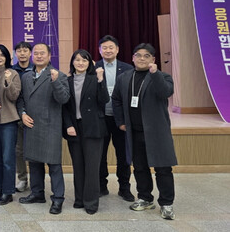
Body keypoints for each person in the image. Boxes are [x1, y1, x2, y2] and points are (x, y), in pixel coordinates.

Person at [112, 43, 177, 220]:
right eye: (138, 55)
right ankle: (145, 198)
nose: (142, 58)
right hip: (134, 131)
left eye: (146, 56)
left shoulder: (162, 76)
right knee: (140, 167)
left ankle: (166, 203)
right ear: (132, 58)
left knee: (163, 168)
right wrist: (121, 122)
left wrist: (155, 74)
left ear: (153, 59)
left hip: (156, 132)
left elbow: (165, 92)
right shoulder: (125, 77)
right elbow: (116, 99)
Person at [17, 43, 70, 215]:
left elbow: (63, 99)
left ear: (49, 56)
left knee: (54, 165)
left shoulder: (58, 75)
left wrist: (55, 82)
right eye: (36, 53)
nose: (39, 56)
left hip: (50, 126)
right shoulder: (26, 76)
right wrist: (22, 113)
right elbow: (20, 99)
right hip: (31, 125)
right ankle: (37, 193)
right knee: (34, 163)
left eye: (42, 53)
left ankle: (58, 198)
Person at [63, 50, 108, 214]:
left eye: (84, 60)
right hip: (74, 128)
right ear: (72, 62)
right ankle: (80, 199)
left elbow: (104, 100)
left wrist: (101, 80)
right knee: (78, 165)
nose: (80, 63)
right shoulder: (67, 81)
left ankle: (91, 202)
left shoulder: (95, 79)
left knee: (92, 166)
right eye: (77, 60)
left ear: (90, 63)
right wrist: (68, 125)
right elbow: (64, 107)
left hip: (93, 127)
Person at [95, 35, 135, 201]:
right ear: (99, 50)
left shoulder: (127, 68)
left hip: (121, 120)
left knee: (123, 155)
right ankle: (101, 186)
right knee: (100, 155)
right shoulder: (94, 67)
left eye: (111, 47)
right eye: (104, 47)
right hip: (100, 117)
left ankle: (124, 188)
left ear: (117, 49)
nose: (108, 50)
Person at [0, 44, 22, 205]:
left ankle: (8, 191)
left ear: (7, 57)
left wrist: (8, 81)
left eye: (1, 55)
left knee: (8, 158)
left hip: (9, 121)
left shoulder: (14, 74)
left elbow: (14, 96)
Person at [12, 41, 34, 193]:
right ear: (15, 54)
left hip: (34, 114)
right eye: (19, 51)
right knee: (18, 150)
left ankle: (36, 180)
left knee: (34, 150)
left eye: (25, 50)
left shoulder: (37, 69)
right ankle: (22, 178)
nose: (22, 53)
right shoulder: (11, 70)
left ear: (30, 53)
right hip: (16, 115)